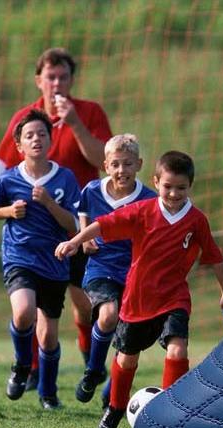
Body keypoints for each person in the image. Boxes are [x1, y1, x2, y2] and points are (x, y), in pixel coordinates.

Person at [55, 151, 223, 428]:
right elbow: (105, 224)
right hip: (137, 299)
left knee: (177, 349)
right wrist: (75, 242)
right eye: (167, 186)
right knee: (127, 360)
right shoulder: (143, 211)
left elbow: (214, 257)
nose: (174, 193)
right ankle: (114, 409)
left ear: (190, 186)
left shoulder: (196, 220)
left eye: (181, 188)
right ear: (155, 182)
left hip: (174, 297)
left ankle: (171, 416)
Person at [0, 47, 113, 387]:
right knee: (31, 300)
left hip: (78, 221)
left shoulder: (88, 112)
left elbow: (101, 161)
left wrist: (74, 122)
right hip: (35, 229)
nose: (57, 83)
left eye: (63, 77)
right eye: (51, 77)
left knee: (84, 298)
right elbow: (3, 169)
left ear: (71, 80)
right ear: (39, 81)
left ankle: (91, 358)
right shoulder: (26, 118)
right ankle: (31, 369)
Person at [0, 109, 81, 410]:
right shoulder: (7, 179)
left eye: (42, 134)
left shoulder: (65, 178)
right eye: (29, 135)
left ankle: (48, 392)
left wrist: (49, 203)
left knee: (49, 335)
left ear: (51, 140)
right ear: (19, 146)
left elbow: (74, 225)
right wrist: (8, 212)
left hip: (54, 263)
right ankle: (20, 366)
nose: (36, 139)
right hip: (20, 257)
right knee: (24, 311)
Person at [73, 134, 157, 406]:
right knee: (107, 315)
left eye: (128, 164)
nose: (122, 170)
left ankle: (112, 392)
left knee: (128, 337)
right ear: (106, 166)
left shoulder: (148, 199)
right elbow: (83, 211)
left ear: (139, 164)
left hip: (136, 273)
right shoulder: (92, 190)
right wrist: (85, 237)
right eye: (116, 164)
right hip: (101, 267)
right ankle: (93, 370)